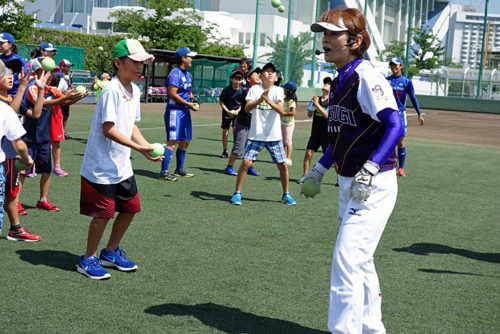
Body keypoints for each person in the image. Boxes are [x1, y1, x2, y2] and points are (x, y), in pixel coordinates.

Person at [304, 8, 403, 333]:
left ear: (356, 40)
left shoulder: (366, 77)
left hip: (372, 184)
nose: (326, 39)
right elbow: (343, 135)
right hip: (349, 183)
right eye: (324, 33)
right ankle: (372, 328)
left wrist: (371, 169)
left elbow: (394, 124)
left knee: (346, 257)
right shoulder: (343, 76)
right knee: (360, 259)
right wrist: (319, 169)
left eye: (333, 33)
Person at [78, 39, 161, 280]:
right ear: (118, 63)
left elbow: (131, 125)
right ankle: (88, 258)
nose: (139, 67)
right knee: (103, 214)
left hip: (122, 165)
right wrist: (139, 147)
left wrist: (145, 146)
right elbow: (109, 129)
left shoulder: (135, 91)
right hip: (100, 166)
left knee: (130, 208)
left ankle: (110, 252)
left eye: (142, 63)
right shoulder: (110, 90)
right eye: (134, 62)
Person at [18, 60, 81, 213]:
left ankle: (43, 200)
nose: (50, 75)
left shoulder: (52, 89)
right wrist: (64, 99)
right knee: (23, 171)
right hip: (30, 137)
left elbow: (65, 101)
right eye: (45, 71)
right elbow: (46, 104)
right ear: (34, 74)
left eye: (51, 72)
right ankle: (16, 202)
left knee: (46, 170)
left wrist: (78, 96)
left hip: (44, 137)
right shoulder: (32, 89)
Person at [230, 62, 296, 206]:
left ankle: (286, 194)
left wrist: (267, 100)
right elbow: (247, 109)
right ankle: (237, 194)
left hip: (274, 136)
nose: (270, 73)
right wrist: (260, 99)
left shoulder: (279, 90)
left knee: (283, 165)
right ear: (260, 76)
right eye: (266, 71)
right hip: (256, 135)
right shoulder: (254, 89)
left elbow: (280, 109)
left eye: (272, 72)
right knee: (246, 163)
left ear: (276, 76)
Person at [0, 60, 39, 241]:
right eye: (5, 73)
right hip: (7, 154)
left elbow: (35, 113)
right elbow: (9, 114)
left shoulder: (12, 98)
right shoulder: (6, 103)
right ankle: (15, 228)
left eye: (11, 73)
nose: (10, 76)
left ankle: (15, 228)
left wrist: (42, 89)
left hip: (11, 154)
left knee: (11, 192)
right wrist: (23, 87)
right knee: (9, 193)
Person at [159, 47, 198, 182]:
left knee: (185, 141)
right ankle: (164, 172)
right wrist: (188, 104)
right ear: (183, 58)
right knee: (172, 142)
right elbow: (172, 94)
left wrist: (192, 100)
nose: (191, 59)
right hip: (174, 111)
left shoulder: (188, 75)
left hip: (185, 111)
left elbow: (188, 92)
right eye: (189, 57)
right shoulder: (175, 74)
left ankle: (179, 169)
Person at [386, 57, 424, 176]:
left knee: (401, 141)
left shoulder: (407, 82)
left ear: (401, 66)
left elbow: (413, 98)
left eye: (396, 65)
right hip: (388, 113)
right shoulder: (386, 80)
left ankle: (401, 168)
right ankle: (389, 163)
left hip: (400, 113)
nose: (394, 67)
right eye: (392, 65)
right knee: (387, 139)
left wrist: (419, 114)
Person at [224, 67, 261, 177]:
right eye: (255, 75)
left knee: (252, 147)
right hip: (243, 123)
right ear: (249, 79)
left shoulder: (260, 89)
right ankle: (229, 167)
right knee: (238, 147)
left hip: (254, 123)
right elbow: (242, 105)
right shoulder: (246, 90)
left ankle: (250, 167)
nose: (258, 76)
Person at [298, 77, 331, 184]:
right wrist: (313, 105)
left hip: (327, 134)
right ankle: (305, 175)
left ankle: (339, 178)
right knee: (308, 153)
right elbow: (309, 115)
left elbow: (327, 116)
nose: (326, 84)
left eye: (329, 84)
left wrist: (317, 104)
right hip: (315, 133)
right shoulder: (316, 99)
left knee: (331, 158)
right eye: (325, 83)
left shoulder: (332, 102)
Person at [219, 69, 245, 158]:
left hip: (237, 114)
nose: (237, 81)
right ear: (231, 79)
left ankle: (236, 150)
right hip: (226, 114)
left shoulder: (243, 90)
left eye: (239, 79)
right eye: (235, 79)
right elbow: (221, 102)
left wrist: (237, 111)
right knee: (225, 133)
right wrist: (228, 111)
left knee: (236, 133)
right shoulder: (226, 90)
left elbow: (243, 104)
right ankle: (225, 151)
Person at [281, 81, 297, 166]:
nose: (283, 89)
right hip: (282, 122)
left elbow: (292, 113)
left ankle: (289, 158)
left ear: (288, 90)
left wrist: (282, 113)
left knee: (288, 141)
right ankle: (284, 157)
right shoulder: (284, 99)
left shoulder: (292, 101)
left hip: (289, 124)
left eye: (284, 88)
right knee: (283, 141)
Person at [58, 59, 75, 139]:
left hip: (66, 99)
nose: (69, 68)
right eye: (68, 66)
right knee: (59, 116)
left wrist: (72, 90)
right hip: (59, 98)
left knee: (66, 116)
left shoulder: (69, 77)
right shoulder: (59, 76)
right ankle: (58, 132)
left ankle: (63, 132)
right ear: (62, 67)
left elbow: (72, 87)